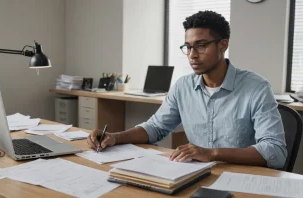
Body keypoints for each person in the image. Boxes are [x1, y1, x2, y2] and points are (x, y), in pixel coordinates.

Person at [87, 10, 287, 169]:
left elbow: (275, 152)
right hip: (197, 175)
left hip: (242, 177)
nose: (192, 55)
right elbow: (156, 127)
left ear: (223, 45)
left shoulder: (256, 87)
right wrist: (115, 137)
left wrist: (211, 153)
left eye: (201, 46)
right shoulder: (183, 86)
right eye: (187, 47)